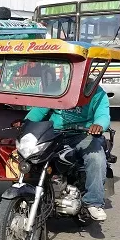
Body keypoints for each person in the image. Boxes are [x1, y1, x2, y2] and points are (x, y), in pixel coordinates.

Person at [15, 82, 110, 221]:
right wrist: (26, 123)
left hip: (83, 134)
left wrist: (99, 125)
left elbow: (103, 115)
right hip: (55, 133)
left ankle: (94, 202)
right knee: (30, 152)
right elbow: (40, 110)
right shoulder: (59, 88)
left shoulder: (97, 92)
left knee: (96, 157)